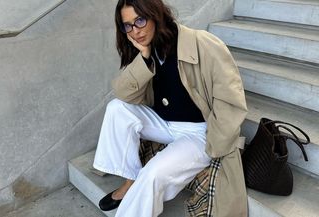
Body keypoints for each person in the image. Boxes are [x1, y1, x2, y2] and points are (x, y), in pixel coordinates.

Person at [93, 0, 248, 216]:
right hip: (165, 124)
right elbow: (124, 94)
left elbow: (230, 100)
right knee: (116, 108)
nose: (135, 31)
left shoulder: (202, 43)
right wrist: (144, 59)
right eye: (128, 25)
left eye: (140, 20)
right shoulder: (149, 50)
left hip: (198, 134)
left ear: (155, 14)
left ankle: (138, 188)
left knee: (153, 174)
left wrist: (216, 147)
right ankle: (131, 180)